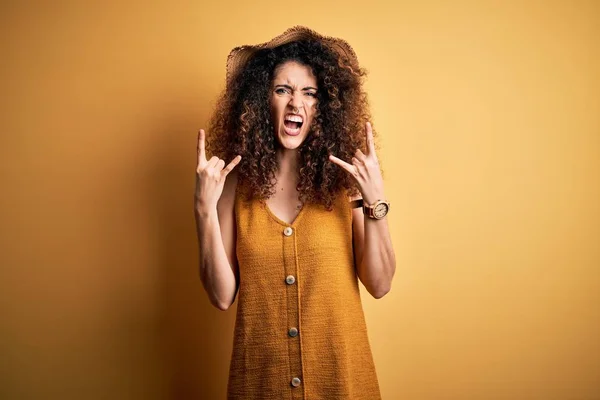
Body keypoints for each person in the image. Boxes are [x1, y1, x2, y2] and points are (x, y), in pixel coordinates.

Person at [194, 26, 396, 399]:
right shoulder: (234, 184)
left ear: (324, 106)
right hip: (260, 383)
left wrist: (375, 204)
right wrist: (204, 210)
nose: (295, 104)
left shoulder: (343, 180)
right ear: (260, 101)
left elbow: (380, 285)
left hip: (341, 382)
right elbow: (221, 296)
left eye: (309, 93)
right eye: (283, 90)